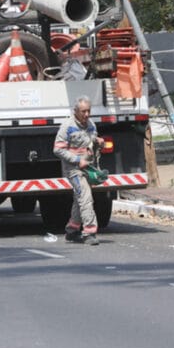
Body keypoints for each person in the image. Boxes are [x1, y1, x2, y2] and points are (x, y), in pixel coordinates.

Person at [53, 96, 105, 245]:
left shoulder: (91, 125)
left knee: (79, 198)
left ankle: (72, 230)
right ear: (75, 111)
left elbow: (91, 141)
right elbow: (57, 149)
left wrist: (98, 142)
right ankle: (89, 232)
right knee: (86, 197)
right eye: (83, 111)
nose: (87, 114)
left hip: (88, 168)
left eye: (89, 111)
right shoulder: (67, 126)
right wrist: (77, 160)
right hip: (73, 170)